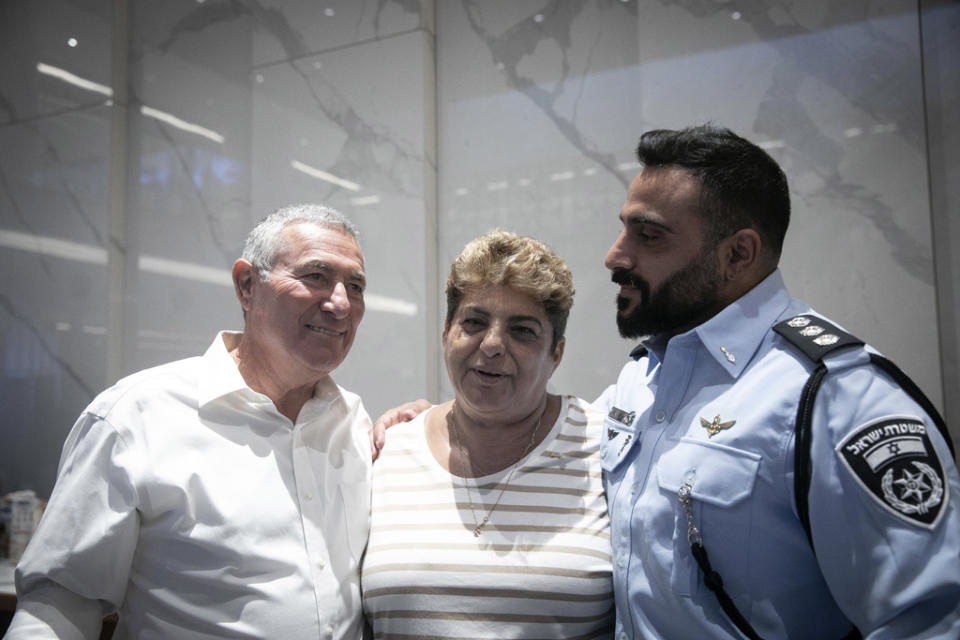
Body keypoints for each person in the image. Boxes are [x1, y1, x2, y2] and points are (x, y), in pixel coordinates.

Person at [373, 126, 960, 638]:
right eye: (623, 229)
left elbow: (932, 617)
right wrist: (423, 421)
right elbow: (523, 416)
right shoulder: (642, 382)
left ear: (738, 255)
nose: (614, 255)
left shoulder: (834, 398)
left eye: (648, 236)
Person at [8, 204, 374, 639]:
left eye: (355, 286)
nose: (340, 303)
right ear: (246, 286)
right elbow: (61, 603)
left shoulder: (354, 423)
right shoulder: (137, 415)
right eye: (315, 276)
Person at [361, 230, 614, 639]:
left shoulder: (606, 450)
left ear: (557, 353)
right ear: (446, 334)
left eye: (522, 330)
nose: (493, 344)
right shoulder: (387, 452)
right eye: (474, 322)